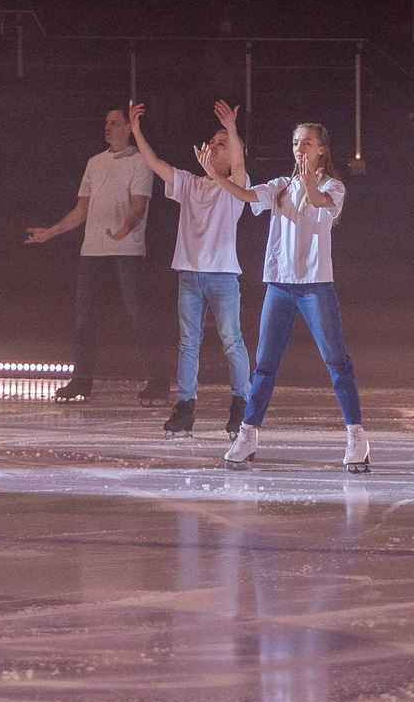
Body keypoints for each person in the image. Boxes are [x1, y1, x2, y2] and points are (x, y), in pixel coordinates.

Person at [200, 102, 365, 472]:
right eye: (295, 143)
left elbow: (321, 202)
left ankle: (356, 435)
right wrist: (215, 174)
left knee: (336, 361)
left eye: (306, 143)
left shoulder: (333, 186)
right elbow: (245, 195)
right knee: (265, 365)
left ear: (321, 149)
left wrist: (309, 183)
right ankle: (248, 434)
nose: (299, 148)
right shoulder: (280, 186)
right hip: (279, 285)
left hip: (316, 286)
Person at [26, 105, 169, 405]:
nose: (108, 126)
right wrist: (50, 232)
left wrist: (125, 228)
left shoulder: (140, 162)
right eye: (106, 122)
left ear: (129, 128)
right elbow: (81, 211)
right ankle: (81, 380)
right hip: (92, 251)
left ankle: (158, 380)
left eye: (114, 122)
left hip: (127, 251)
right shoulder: (94, 163)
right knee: (84, 316)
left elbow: (139, 206)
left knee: (137, 312)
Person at [125, 101, 251, 440]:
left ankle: (241, 404)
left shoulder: (235, 187)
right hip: (189, 275)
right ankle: (185, 408)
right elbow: (155, 164)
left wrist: (232, 128)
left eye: (222, 143)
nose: (214, 145)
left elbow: (239, 166)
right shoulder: (191, 183)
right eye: (213, 141)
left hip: (223, 275)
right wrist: (136, 131)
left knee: (232, 340)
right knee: (188, 343)